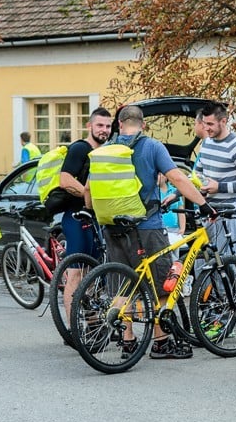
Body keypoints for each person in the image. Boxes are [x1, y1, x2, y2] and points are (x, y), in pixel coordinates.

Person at [85, 104, 215, 360]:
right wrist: (203, 203)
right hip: (146, 226)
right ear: (143, 124)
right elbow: (177, 178)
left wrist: (95, 212)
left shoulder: (105, 151)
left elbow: (89, 189)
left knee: (123, 285)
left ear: (119, 124)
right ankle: (161, 342)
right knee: (160, 285)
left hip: (112, 225)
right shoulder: (153, 147)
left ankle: (128, 342)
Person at [53, 107, 112, 332]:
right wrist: (88, 196)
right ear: (90, 126)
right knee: (76, 273)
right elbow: (65, 179)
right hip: (77, 218)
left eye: (107, 126)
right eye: (100, 125)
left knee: (93, 273)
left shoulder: (105, 152)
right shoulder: (80, 148)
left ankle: (93, 324)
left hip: (96, 219)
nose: (104, 130)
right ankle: (73, 329)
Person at [195, 101, 236, 255]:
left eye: (210, 124)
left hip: (228, 217)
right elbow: (196, 175)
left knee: (226, 269)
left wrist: (219, 187)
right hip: (208, 213)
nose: (206, 128)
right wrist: (177, 194)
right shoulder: (206, 143)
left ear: (223, 122)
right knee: (203, 269)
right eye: (204, 123)